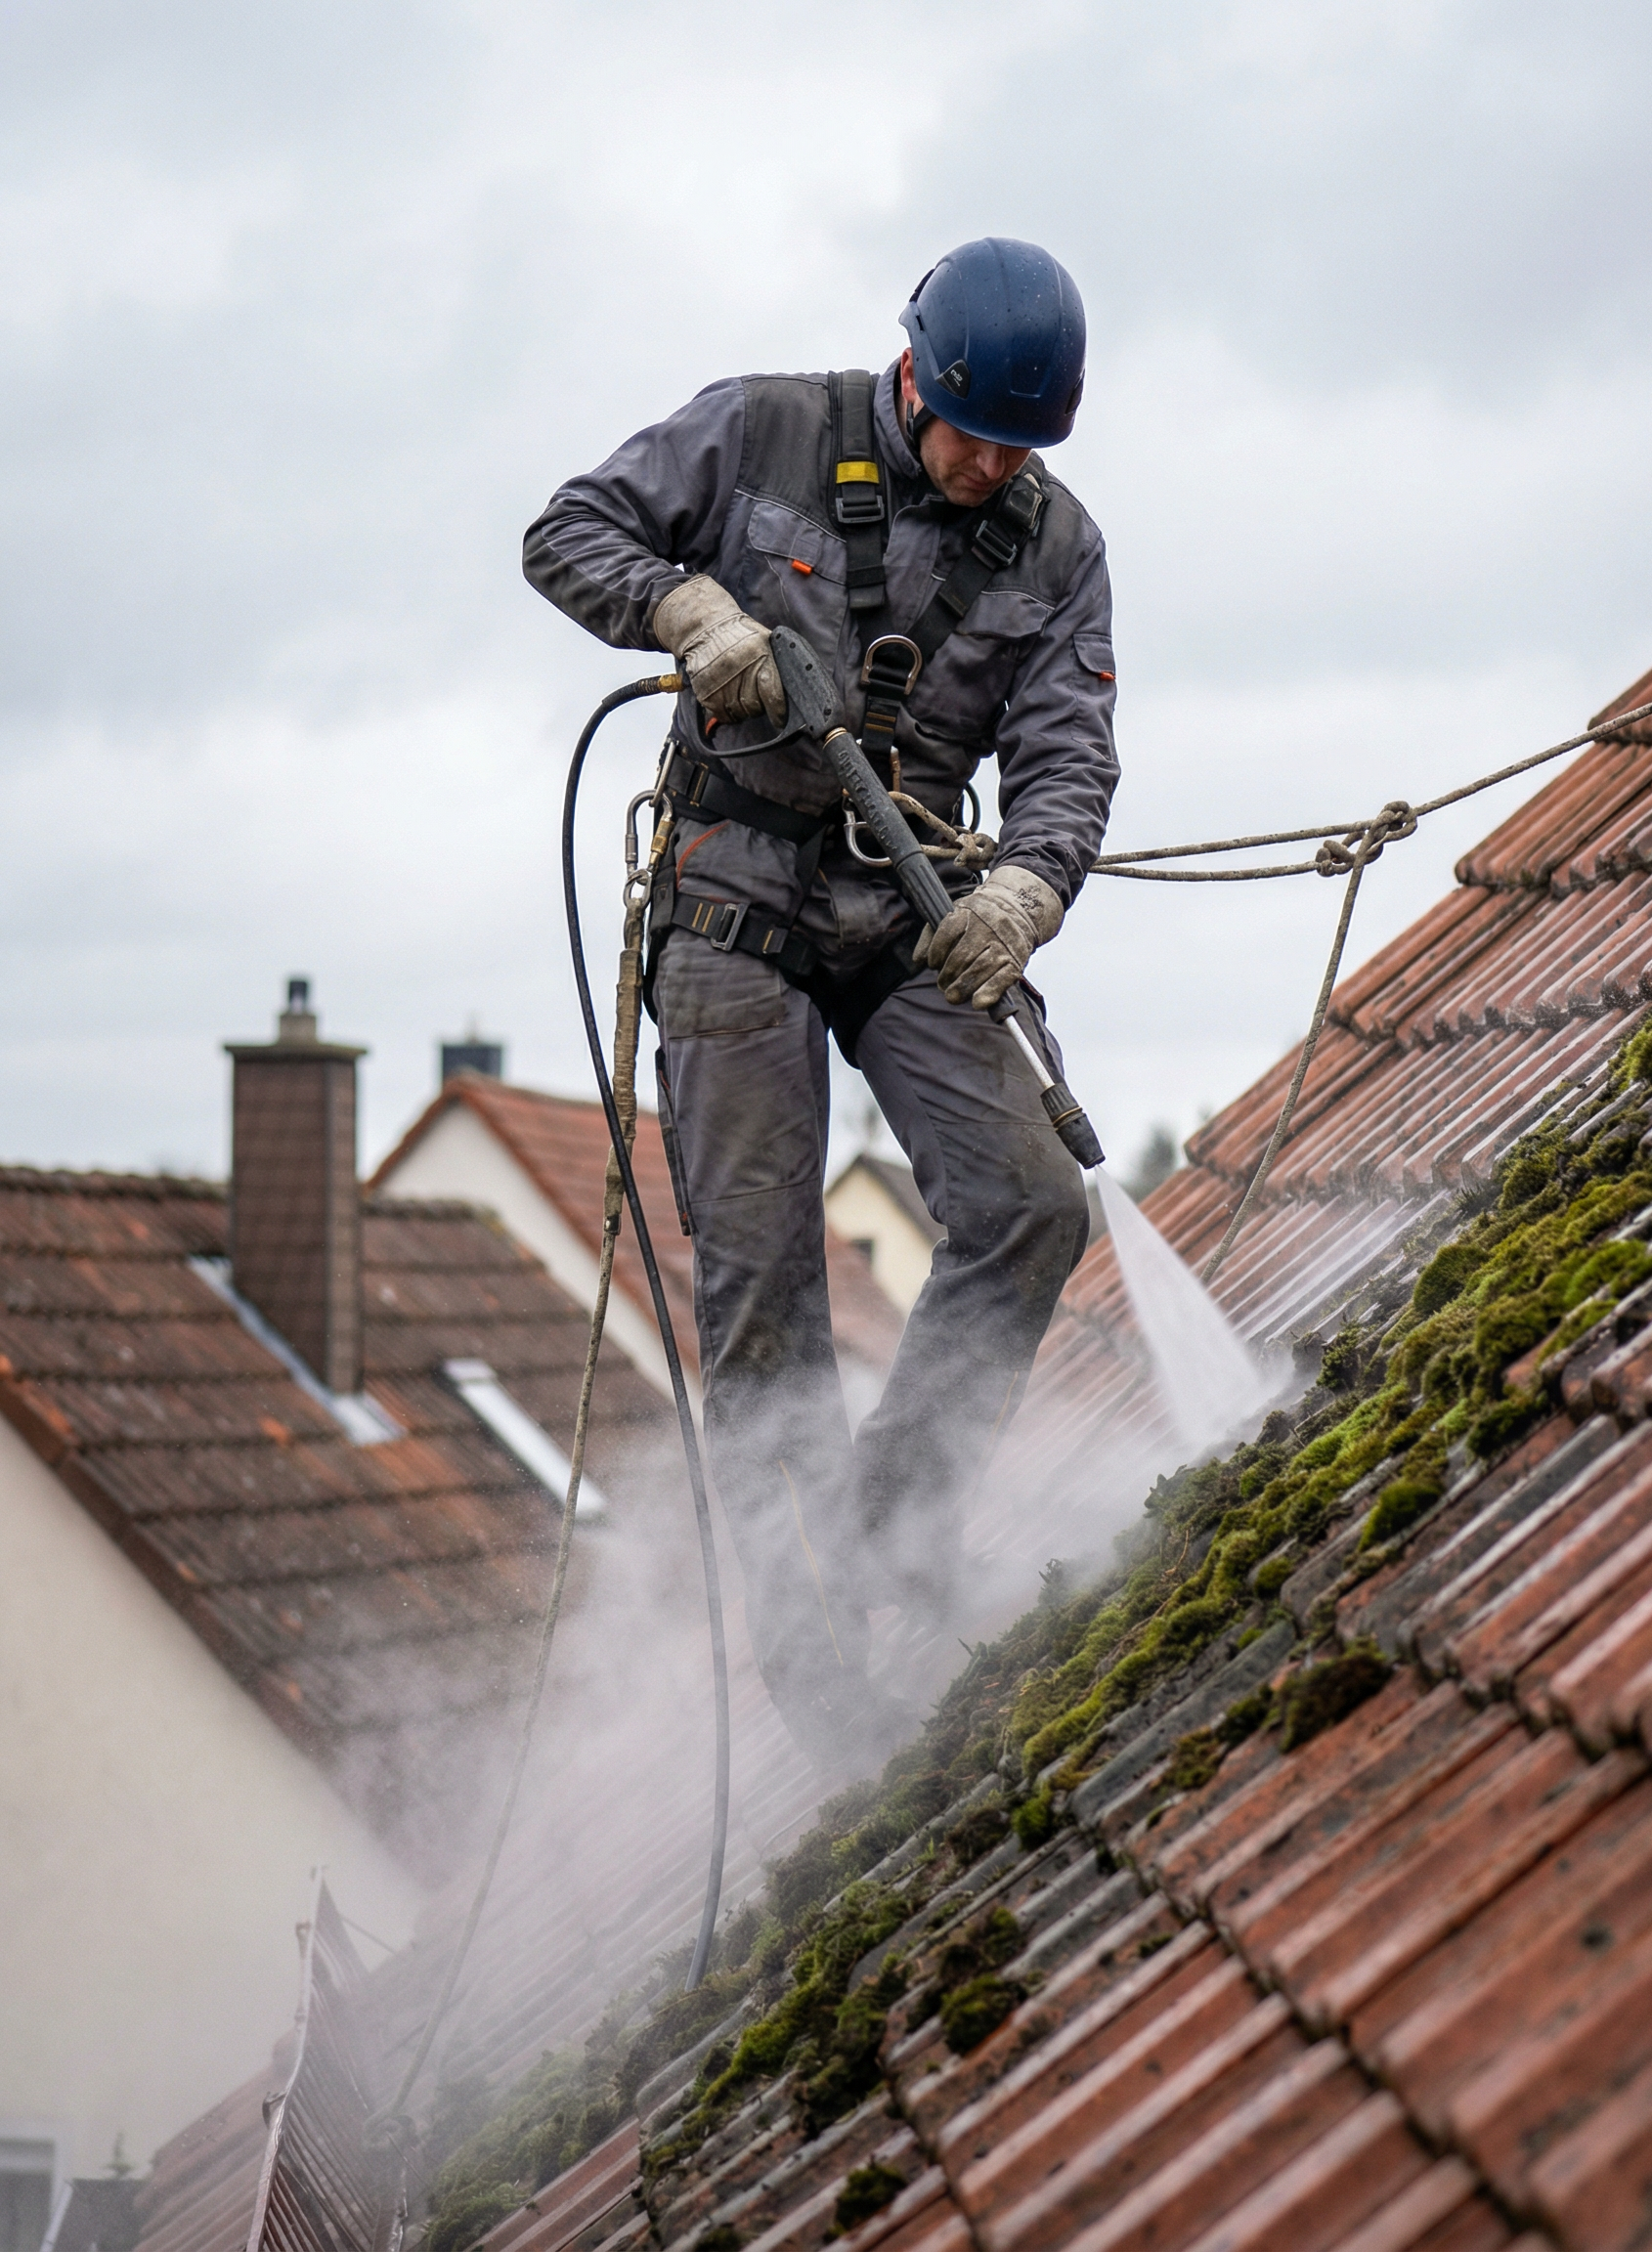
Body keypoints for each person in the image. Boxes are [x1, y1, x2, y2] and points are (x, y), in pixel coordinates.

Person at [524, 238, 1118, 1770]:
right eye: (970, 431)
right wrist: (687, 616)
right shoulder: (764, 431)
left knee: (1031, 1203)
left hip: (910, 909)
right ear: (912, 373)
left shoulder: (1059, 550)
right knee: (770, 1294)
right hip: (734, 906)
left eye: (1020, 447)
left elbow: (1066, 754)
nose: (989, 466)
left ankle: (895, 1538)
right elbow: (568, 529)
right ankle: (818, 1677)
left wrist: (1026, 893)